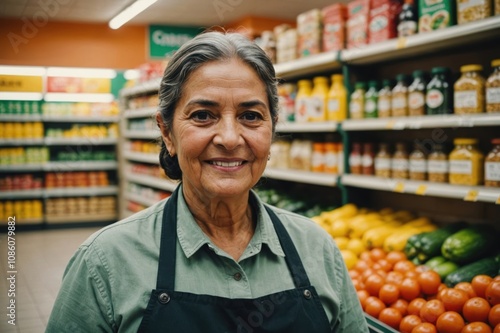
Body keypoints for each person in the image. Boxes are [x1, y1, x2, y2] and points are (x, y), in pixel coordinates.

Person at [46, 31, 369, 333]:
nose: (229, 138)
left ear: (271, 130)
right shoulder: (106, 261)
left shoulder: (317, 248)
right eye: (203, 115)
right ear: (167, 132)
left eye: (251, 116)